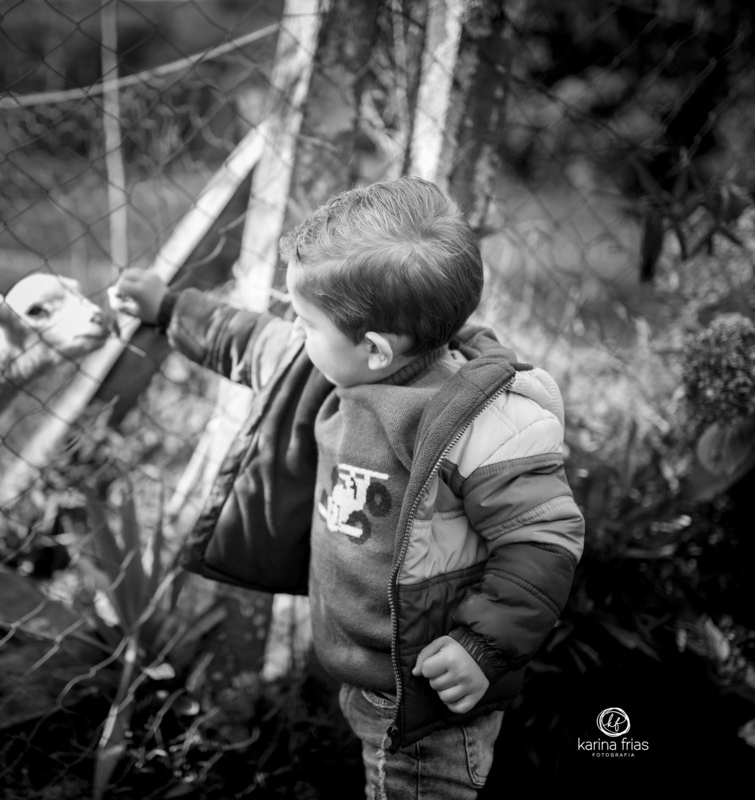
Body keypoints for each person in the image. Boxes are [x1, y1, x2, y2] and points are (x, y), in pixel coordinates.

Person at [110, 176, 585, 799]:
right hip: (370, 677)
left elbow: (543, 540)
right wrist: (170, 309)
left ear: (376, 349)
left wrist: (480, 646)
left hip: (426, 700)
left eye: (306, 322)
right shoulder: (330, 369)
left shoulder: (478, 423)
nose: (295, 332)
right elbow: (249, 339)